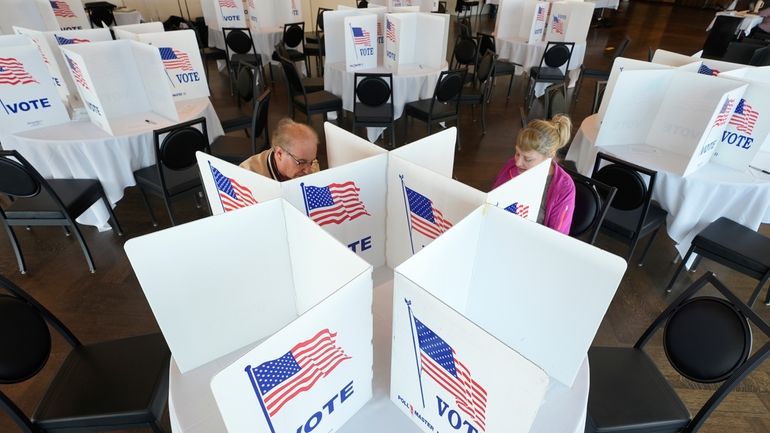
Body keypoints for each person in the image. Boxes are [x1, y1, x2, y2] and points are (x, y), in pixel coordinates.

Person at [491, 115, 575, 235]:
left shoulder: (564, 188)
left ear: (550, 156)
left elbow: (556, 237)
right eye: (517, 153)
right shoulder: (511, 165)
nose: (518, 162)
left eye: (528, 159)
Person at [239, 118, 320, 181]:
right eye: (301, 162)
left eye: (312, 161)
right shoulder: (247, 175)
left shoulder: (312, 164)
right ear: (279, 154)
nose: (308, 171)